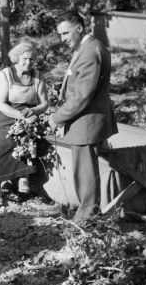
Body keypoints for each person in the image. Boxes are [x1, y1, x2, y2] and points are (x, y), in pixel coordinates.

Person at [48, 12, 118, 226]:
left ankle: (88, 219)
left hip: (86, 123)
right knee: (85, 173)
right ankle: (88, 214)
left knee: (85, 175)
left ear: (79, 27)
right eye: (60, 34)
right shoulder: (88, 47)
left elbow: (82, 96)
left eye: (66, 33)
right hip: (86, 121)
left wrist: (56, 118)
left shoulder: (89, 52)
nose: (63, 39)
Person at [0, 39, 49, 205]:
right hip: (3, 115)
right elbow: (0, 104)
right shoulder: (5, 74)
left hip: (27, 116)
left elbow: (44, 103)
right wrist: (22, 116)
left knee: (27, 136)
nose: (28, 63)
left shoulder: (38, 77)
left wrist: (33, 111)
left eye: (32, 59)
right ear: (17, 58)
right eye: (25, 59)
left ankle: (22, 177)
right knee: (0, 139)